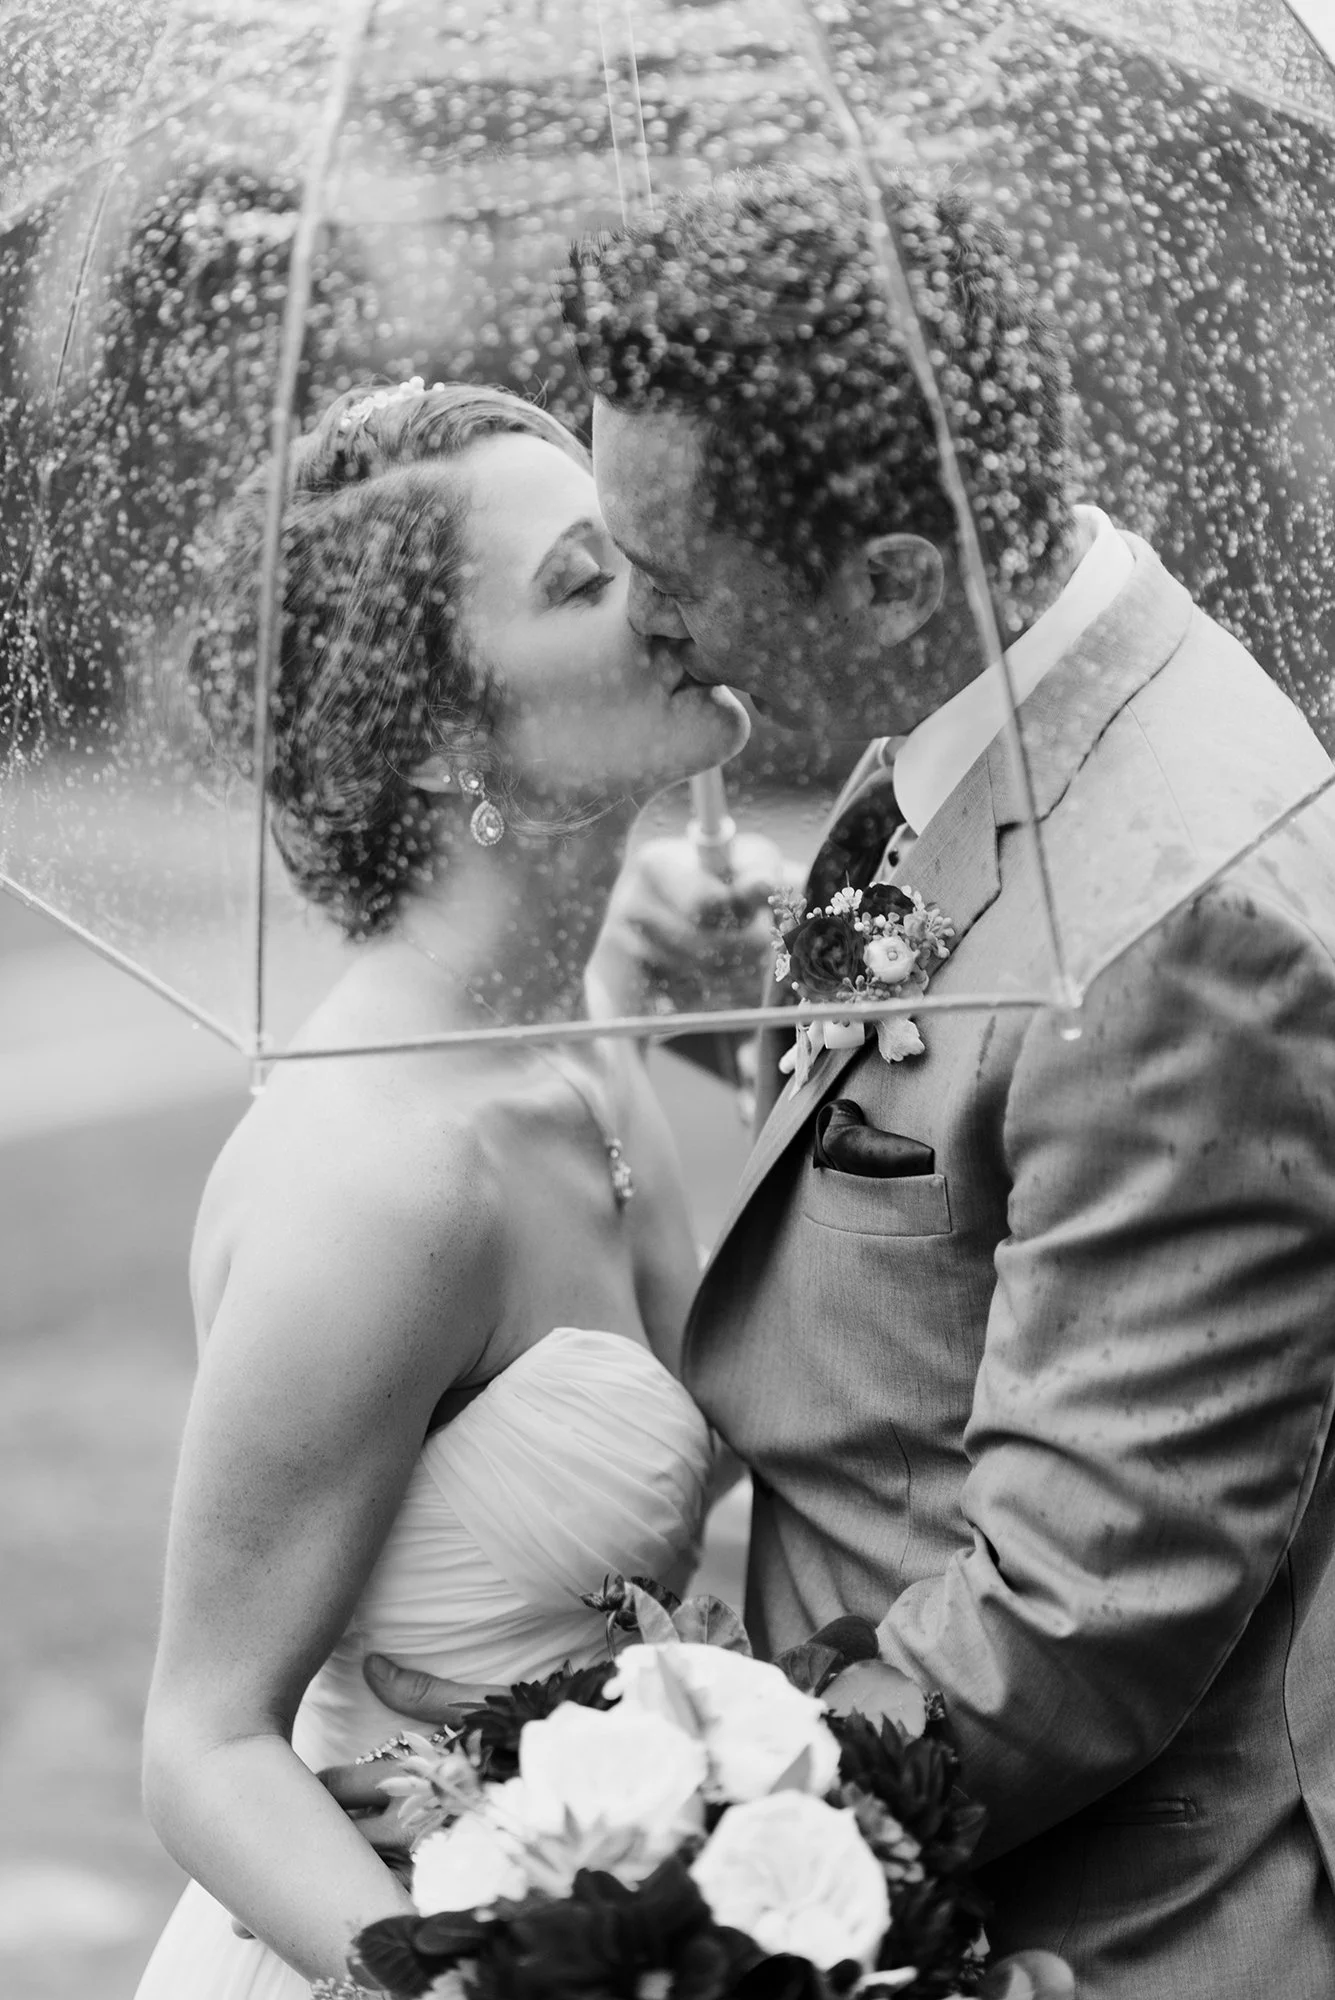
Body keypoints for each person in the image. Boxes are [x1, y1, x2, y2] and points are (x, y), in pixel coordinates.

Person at [362, 166, 1335, 1997]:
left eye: (668, 579)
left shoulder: (1176, 918)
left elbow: (1071, 1618)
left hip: (1087, 1926)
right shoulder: (993, 712)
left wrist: (627, 1845)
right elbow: (938, 1238)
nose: (643, 629)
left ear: (890, 576)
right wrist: (741, 1053)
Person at [132, 379, 754, 1998]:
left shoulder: (590, 1025)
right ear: (433, 744)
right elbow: (201, 1744)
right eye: (581, 579)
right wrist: (467, 1980)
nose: (663, 584)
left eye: (636, 541)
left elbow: (723, 1400)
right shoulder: (383, 1185)